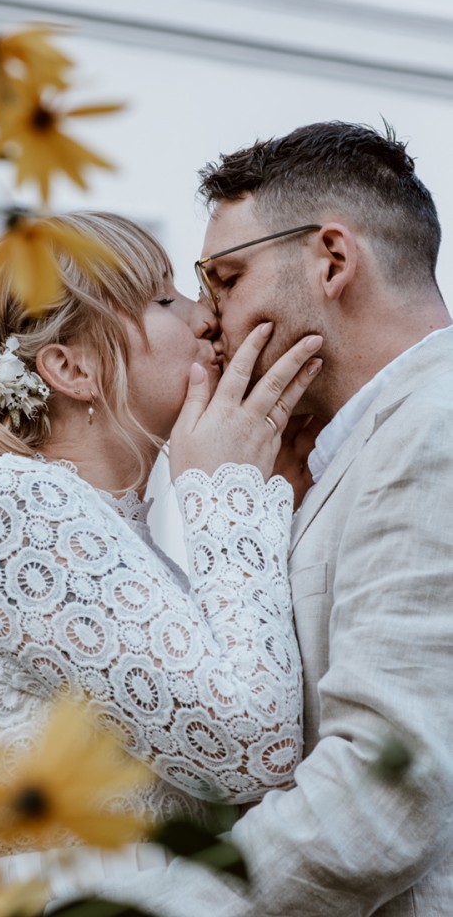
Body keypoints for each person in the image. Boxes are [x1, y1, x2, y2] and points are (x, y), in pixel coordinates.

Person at [0, 211, 322, 896]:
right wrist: (224, 488)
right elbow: (253, 748)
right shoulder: (11, 504)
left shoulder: (98, 526)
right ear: (73, 368)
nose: (205, 316)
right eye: (162, 299)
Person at [101, 123, 453, 916]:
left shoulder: (434, 433)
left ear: (331, 259)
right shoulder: (349, 453)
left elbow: (381, 800)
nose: (209, 318)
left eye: (225, 277)